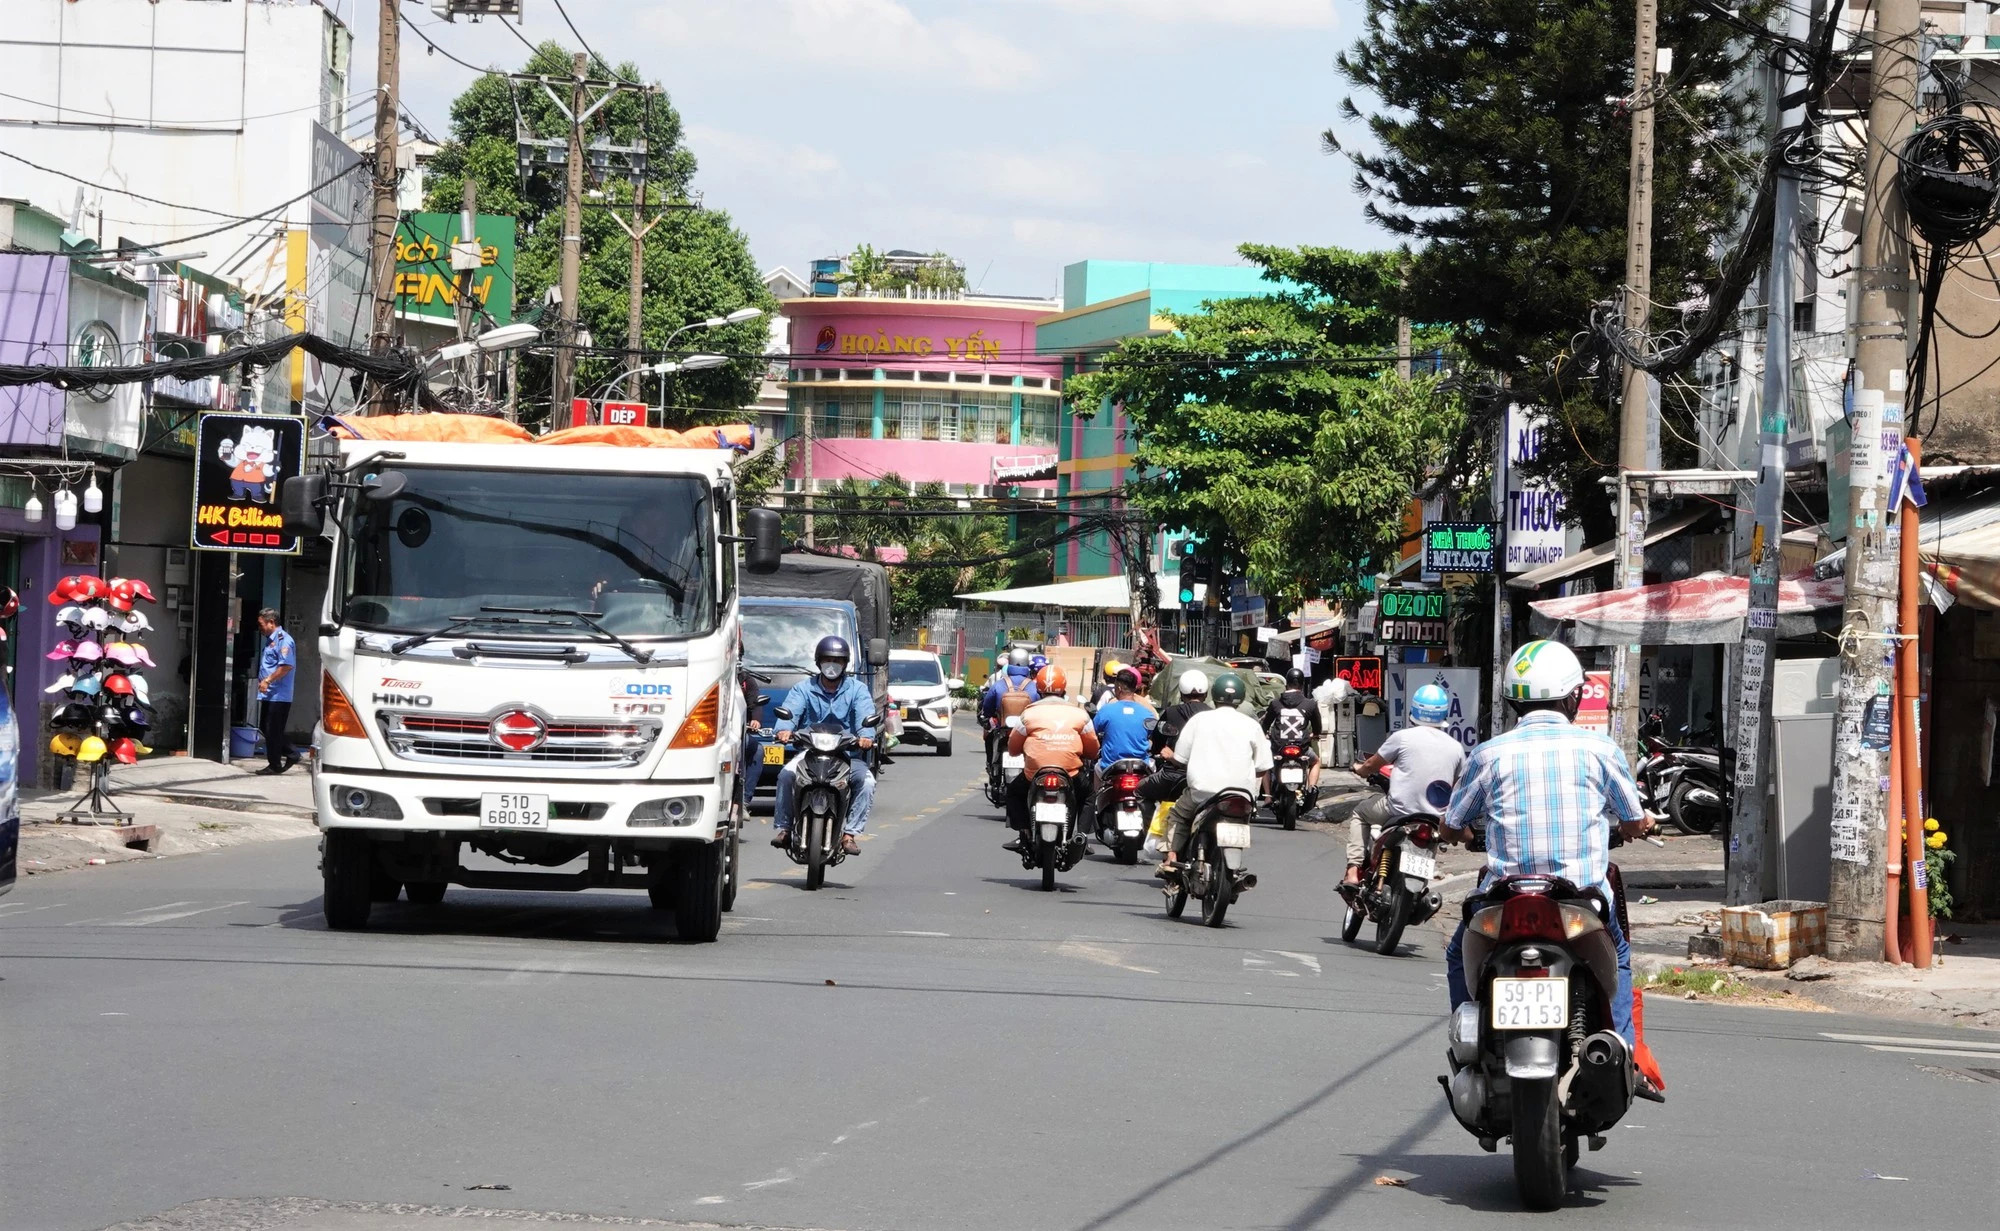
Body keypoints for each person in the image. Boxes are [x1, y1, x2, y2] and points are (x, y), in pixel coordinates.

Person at [1441, 640, 1657, 1051]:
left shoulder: (1488, 754)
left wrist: (1458, 835)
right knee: (1622, 957)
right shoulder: (1600, 749)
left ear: (1511, 700)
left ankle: (1467, 1046)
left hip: (1504, 901)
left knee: (1457, 954)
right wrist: (1640, 824)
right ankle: (1623, 1052)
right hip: (1582, 901)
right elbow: (1631, 821)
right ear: (1574, 695)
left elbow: (1452, 825)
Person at [1345, 682, 1466, 886]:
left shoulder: (1402, 738)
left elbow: (1372, 764)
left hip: (1398, 811)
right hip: (1435, 820)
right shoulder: (1456, 748)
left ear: (1414, 710)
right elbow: (1458, 787)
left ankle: (1353, 871)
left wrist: (1360, 769)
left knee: (1360, 813)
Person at [771, 636, 877, 856]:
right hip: (809, 753)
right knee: (785, 776)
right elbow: (790, 711)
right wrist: (784, 729)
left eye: (837, 661)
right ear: (818, 662)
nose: (832, 665)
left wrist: (866, 736)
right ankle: (785, 828)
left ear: (845, 664)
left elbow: (866, 714)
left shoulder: (857, 690)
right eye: (827, 660)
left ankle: (849, 834)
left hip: (845, 755)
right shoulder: (803, 688)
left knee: (867, 781)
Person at [1160, 672, 1271, 872]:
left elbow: (1181, 759)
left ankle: (1171, 858)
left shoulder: (1198, 721)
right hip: (1241, 797)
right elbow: (1262, 767)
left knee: (1177, 815)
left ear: (1214, 695)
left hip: (1201, 793)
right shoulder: (1252, 726)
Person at [1003, 664, 1098, 851]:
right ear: (1063, 689)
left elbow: (1013, 748)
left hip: (1034, 773)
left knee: (1014, 792)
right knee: (1088, 795)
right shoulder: (1080, 714)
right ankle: (1082, 836)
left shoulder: (1028, 714)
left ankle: (1024, 833)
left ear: (1038, 688)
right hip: (1069, 773)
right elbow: (1093, 749)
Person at [1090, 667, 1156, 811]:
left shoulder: (1107, 710)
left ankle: (1097, 807)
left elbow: (1093, 731)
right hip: (1141, 767)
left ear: (1119, 687)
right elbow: (1153, 737)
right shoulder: (1147, 713)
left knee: (1095, 769)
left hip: (1110, 767)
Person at [1262, 667, 1325, 794]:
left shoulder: (1275, 703)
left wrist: (1264, 734)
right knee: (1316, 761)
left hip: (1278, 747)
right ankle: (1311, 790)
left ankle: (1268, 796)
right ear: (1302, 685)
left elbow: (1265, 725)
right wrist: (1315, 734)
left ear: (1286, 685)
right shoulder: (1310, 704)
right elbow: (1318, 727)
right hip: (1301, 747)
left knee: (1264, 765)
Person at [979, 648, 1039, 775]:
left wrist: (987, 717)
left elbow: (987, 706)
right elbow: (1038, 709)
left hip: (1002, 729)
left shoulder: (999, 684)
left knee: (989, 737)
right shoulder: (1034, 687)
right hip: (1026, 731)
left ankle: (990, 766)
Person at [254, 608, 298, 776]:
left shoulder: (284, 640)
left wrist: (268, 680)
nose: (260, 628)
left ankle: (278, 761)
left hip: (279, 694)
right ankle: (288, 755)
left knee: (272, 728)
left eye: (261, 624)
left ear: (271, 622)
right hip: (269, 693)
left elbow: (286, 666)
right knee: (266, 727)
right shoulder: (271, 640)